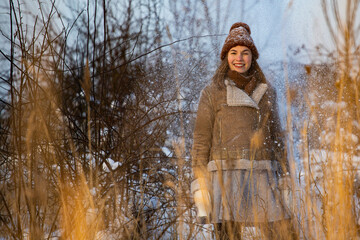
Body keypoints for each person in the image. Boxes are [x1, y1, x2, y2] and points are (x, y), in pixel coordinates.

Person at [190, 22, 297, 240]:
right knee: (228, 235)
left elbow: (277, 137)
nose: (239, 58)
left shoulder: (267, 92)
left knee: (284, 234)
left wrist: (285, 176)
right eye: (234, 52)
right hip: (225, 179)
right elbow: (201, 141)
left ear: (253, 57)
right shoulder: (212, 92)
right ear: (225, 57)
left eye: (245, 53)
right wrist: (200, 185)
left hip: (263, 176)